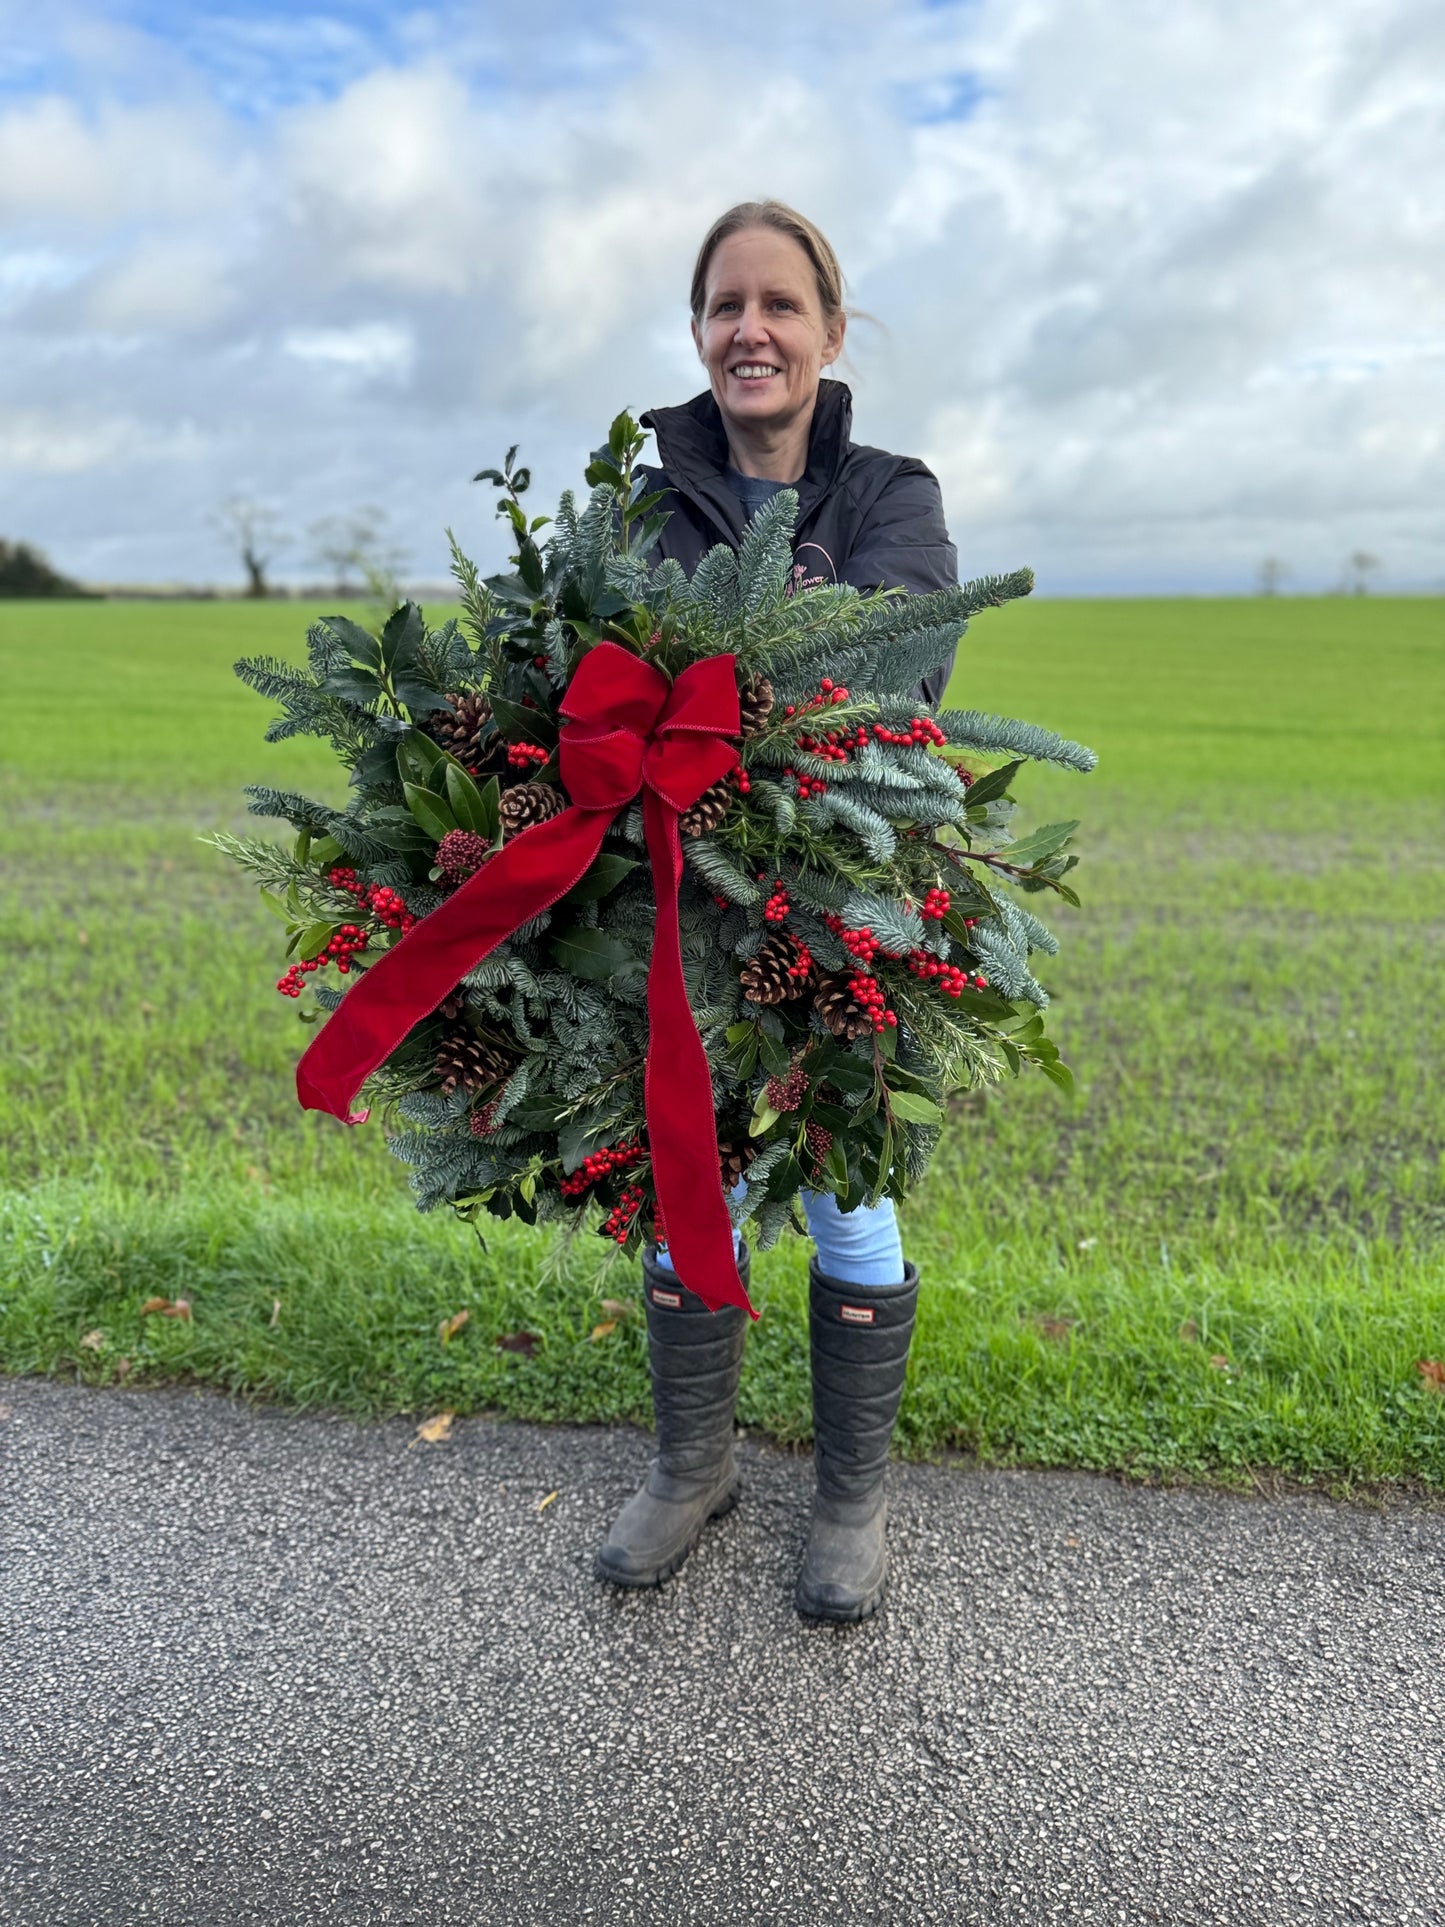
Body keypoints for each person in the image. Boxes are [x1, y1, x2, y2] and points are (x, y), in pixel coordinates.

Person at [593, 200, 959, 1623]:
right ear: (697, 333)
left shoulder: (892, 494)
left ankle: (849, 1499)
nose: (751, 328)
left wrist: (709, 684)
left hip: (839, 909)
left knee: (847, 1192)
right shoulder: (644, 503)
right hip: (678, 912)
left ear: (828, 329)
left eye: (780, 304)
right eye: (724, 305)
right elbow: (602, 664)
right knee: (692, 1185)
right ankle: (694, 1467)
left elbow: (896, 662)